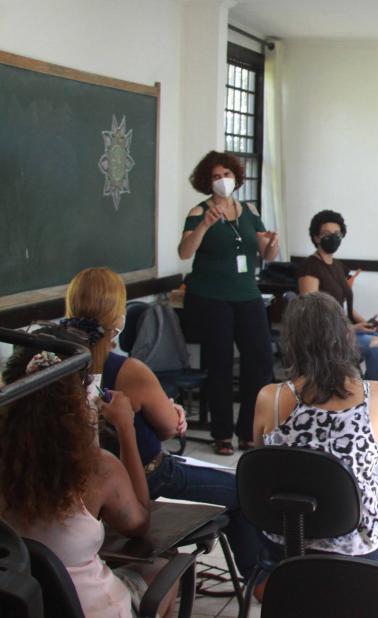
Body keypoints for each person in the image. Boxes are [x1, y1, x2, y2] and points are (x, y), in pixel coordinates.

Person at [63, 267, 259, 580]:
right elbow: (168, 428)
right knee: (243, 488)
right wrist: (170, 411)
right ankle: (258, 579)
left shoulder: (52, 365)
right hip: (150, 478)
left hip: (76, 483)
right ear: (118, 317)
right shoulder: (128, 370)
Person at [252, 293, 378, 568]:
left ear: (291, 342)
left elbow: (263, 469)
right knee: (374, 488)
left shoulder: (269, 398)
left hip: (285, 537)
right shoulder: (377, 395)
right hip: (360, 542)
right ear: (345, 337)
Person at [0, 327, 176, 618]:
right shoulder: (97, 468)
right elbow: (139, 523)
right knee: (165, 567)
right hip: (90, 609)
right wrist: (125, 428)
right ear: (78, 397)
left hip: (19, 603)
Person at [178, 150, 279, 455]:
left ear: (236, 176)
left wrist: (272, 245)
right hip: (211, 298)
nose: (223, 181)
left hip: (247, 294)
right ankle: (221, 432)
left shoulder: (249, 210)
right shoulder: (199, 212)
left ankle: (248, 429)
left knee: (260, 361)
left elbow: (266, 253)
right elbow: (184, 252)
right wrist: (205, 226)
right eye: (216, 176)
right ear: (207, 182)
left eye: (227, 175)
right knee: (219, 363)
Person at [296, 209, 378, 415]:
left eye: (337, 233)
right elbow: (310, 314)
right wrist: (351, 327)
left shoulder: (339, 266)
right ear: (315, 236)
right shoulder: (310, 267)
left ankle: (366, 393)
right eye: (326, 233)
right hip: (325, 335)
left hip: (344, 329)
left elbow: (345, 307)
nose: (332, 238)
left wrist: (366, 322)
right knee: (376, 347)